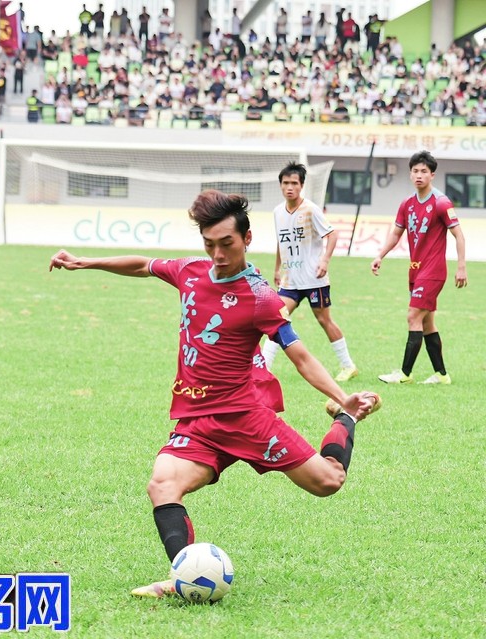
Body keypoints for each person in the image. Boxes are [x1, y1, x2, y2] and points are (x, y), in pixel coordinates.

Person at [48, 190, 381, 598]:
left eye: (227, 243)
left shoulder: (261, 297)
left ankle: (344, 420)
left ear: (247, 239)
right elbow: (144, 265)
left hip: (246, 417)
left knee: (329, 481)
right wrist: (86, 262)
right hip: (199, 420)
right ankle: (184, 575)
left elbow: (300, 355)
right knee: (162, 485)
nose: (219, 254)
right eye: (210, 244)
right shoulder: (190, 271)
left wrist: (342, 398)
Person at [372, 150, 467, 385]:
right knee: (427, 323)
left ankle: (405, 374)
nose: (419, 175)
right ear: (410, 174)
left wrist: (461, 267)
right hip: (415, 270)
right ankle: (442, 375)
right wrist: (380, 255)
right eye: (415, 171)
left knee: (413, 315)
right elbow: (395, 234)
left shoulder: (442, 203)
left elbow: (459, 236)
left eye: (424, 171)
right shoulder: (407, 204)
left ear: (432, 175)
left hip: (433, 271)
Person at [261, 163, 357, 382]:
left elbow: (332, 235)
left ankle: (348, 365)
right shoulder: (278, 212)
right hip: (290, 280)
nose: (289, 188)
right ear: (280, 185)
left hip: (314, 280)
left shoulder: (311, 209)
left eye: (294, 183)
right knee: (276, 317)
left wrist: (325, 260)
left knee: (324, 320)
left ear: (302, 185)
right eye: (285, 183)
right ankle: (265, 367)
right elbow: (281, 242)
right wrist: (277, 269)